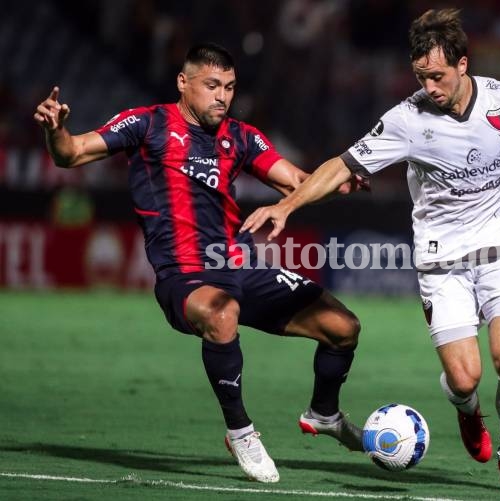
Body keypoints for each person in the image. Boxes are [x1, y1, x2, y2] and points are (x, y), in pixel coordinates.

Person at [243, 8, 500, 492]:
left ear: (462, 65)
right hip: (441, 261)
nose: (428, 86)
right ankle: (467, 411)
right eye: (420, 76)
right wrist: (287, 206)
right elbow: (341, 165)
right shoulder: (406, 120)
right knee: (466, 379)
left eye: (436, 76)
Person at [33, 42, 368, 484]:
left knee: (344, 328)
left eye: (229, 87)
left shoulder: (241, 136)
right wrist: (56, 129)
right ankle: (241, 432)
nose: (222, 96)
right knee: (221, 312)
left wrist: (337, 180)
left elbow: (297, 181)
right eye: (212, 86)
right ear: (183, 83)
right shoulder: (147, 123)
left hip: (240, 265)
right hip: (184, 275)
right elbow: (71, 153)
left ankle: (324, 412)